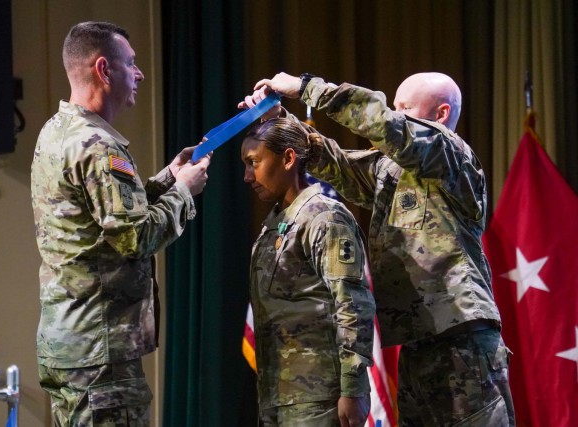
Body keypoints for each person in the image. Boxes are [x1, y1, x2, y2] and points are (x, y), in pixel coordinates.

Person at [240, 72, 515, 426]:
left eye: (404, 109)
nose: (394, 115)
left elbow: (383, 123)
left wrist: (307, 87)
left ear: (441, 114)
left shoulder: (452, 156)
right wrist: (281, 123)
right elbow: (338, 165)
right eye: (395, 108)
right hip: (416, 344)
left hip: (462, 341)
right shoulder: (392, 170)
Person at [31, 21, 210, 426]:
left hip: (69, 341)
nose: (140, 73)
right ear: (103, 69)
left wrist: (166, 178)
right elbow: (134, 237)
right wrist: (183, 192)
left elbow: (103, 217)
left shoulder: (57, 131)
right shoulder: (99, 146)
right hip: (100, 352)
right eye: (131, 63)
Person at [241, 118, 376, 426]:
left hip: (320, 396)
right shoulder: (278, 220)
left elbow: (352, 305)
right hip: (279, 393)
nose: (248, 176)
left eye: (254, 163)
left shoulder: (324, 217)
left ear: (288, 158)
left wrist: (352, 388)